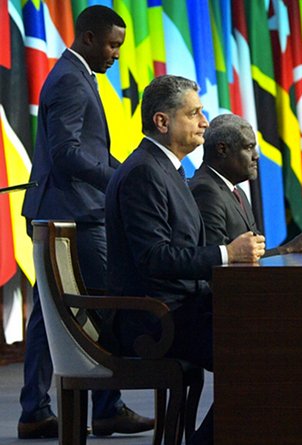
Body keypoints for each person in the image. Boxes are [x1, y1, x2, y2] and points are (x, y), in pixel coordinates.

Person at [105, 74, 265, 445]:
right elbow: (154, 258)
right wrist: (228, 253)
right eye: (194, 114)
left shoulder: (168, 169)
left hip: (179, 309)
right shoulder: (144, 172)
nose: (205, 123)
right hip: (153, 320)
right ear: (162, 122)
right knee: (256, 353)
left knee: (268, 341)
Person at [18, 5, 154, 439]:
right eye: (113, 45)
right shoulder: (71, 81)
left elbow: (84, 152)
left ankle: (34, 412)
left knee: (47, 315)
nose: (116, 54)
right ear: (89, 38)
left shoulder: (73, 77)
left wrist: (122, 170)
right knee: (103, 301)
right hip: (73, 217)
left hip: (60, 212)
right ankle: (107, 407)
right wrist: (118, 178)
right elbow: (67, 154)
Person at [189, 114, 302, 254]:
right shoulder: (205, 191)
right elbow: (221, 261)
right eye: (249, 147)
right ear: (222, 149)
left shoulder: (237, 191)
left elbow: (253, 255)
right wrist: (289, 248)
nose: (256, 156)